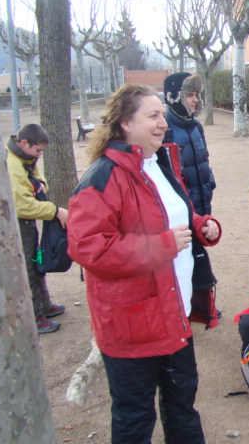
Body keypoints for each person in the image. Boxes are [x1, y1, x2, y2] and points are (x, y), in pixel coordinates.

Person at [67, 84, 221, 443]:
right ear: (125, 123)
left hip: (174, 313)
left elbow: (171, 213)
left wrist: (201, 224)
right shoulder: (102, 177)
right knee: (135, 418)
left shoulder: (159, 163)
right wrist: (163, 245)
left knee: (183, 407)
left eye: (162, 115)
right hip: (132, 326)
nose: (163, 123)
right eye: (153, 116)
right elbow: (89, 249)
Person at [7, 124, 67, 334]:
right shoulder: (13, 164)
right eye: (38, 150)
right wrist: (55, 211)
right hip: (17, 223)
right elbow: (22, 205)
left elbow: (39, 180)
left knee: (36, 263)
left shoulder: (26, 159)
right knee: (29, 268)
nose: (39, 154)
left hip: (27, 222)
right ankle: (35, 317)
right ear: (24, 143)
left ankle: (45, 306)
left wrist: (38, 184)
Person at [163, 72, 216, 216]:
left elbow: (205, 159)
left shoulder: (196, 126)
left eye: (197, 95)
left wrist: (209, 183)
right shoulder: (164, 129)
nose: (195, 100)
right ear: (175, 97)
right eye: (189, 95)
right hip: (180, 210)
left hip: (204, 206)